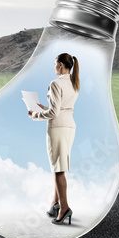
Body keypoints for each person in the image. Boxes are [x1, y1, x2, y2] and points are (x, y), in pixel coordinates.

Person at [27, 53, 79, 225]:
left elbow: (55, 113)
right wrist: (45, 107)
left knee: (58, 170)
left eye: (55, 64)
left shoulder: (55, 83)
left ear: (61, 65)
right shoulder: (74, 83)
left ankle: (64, 208)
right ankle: (55, 204)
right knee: (59, 166)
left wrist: (35, 114)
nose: (54, 67)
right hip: (69, 126)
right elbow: (61, 107)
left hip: (57, 127)